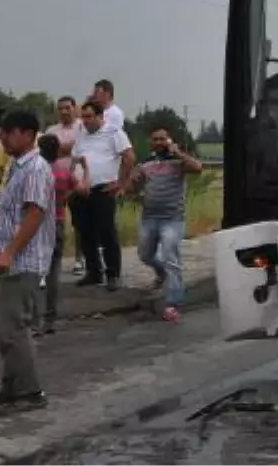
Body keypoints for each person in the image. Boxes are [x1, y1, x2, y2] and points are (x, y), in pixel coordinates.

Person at [0, 110, 54, 416]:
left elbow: (35, 214)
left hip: (23, 262)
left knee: (15, 329)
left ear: (25, 133)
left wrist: (9, 252)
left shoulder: (35, 168)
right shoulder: (17, 167)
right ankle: (12, 387)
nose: (3, 140)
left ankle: (31, 392)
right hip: (10, 262)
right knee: (6, 329)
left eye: (7, 134)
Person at [126, 128, 202, 322]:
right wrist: (133, 184)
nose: (159, 142)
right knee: (145, 254)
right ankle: (161, 274)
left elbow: (197, 168)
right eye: (155, 139)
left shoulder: (178, 161)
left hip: (172, 219)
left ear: (169, 141)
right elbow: (132, 188)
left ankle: (173, 304)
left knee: (171, 257)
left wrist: (178, 152)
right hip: (150, 218)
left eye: (163, 139)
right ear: (151, 143)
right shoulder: (146, 163)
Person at [71, 101, 134, 291]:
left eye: (90, 117)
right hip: (82, 191)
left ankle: (112, 274)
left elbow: (129, 157)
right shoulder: (81, 135)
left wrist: (121, 183)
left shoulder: (114, 133)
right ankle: (94, 272)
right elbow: (75, 160)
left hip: (103, 189)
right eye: (84, 117)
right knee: (85, 232)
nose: (86, 121)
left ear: (100, 117)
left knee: (107, 232)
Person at [35, 134, 73, 334]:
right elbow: (79, 187)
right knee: (53, 273)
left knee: (32, 272)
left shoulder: (36, 171)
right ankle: (50, 319)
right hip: (57, 222)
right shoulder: (63, 171)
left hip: (37, 224)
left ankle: (34, 320)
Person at [47, 96, 88, 277]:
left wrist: (63, 149)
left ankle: (80, 258)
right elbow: (49, 151)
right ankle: (52, 259)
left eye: (67, 108)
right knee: (54, 222)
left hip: (76, 181)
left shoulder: (82, 127)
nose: (64, 111)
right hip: (55, 183)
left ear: (74, 108)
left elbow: (82, 148)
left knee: (79, 223)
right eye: (60, 108)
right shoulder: (51, 130)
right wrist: (69, 148)